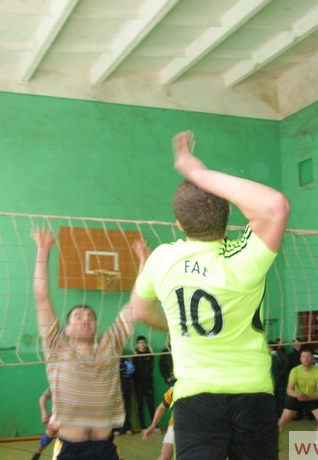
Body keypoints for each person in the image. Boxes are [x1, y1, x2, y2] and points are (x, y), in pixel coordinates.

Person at [131, 130, 290, 460]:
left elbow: (140, 310)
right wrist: (197, 172)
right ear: (229, 212)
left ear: (178, 223)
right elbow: (274, 205)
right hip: (252, 394)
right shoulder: (245, 259)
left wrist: (176, 324)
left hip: (194, 399)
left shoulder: (161, 260)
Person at [31, 227, 146, 460]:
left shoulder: (110, 344)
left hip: (105, 447)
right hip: (71, 449)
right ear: (67, 329)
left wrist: (144, 261)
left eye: (90, 317)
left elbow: (136, 305)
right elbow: (41, 297)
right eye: (78, 317)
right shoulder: (57, 346)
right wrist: (43, 250)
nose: (86, 320)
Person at [277, 350, 318, 445]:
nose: (306, 359)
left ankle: (317, 443)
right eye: (304, 356)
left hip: (313, 398)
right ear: (300, 359)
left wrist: (309, 398)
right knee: (282, 421)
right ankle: (272, 444)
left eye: (308, 356)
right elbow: (289, 390)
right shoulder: (294, 371)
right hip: (297, 397)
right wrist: (297, 395)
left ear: (312, 359)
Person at [133, 335, 159, 434]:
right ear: (137, 344)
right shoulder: (135, 355)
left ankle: (154, 426)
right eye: (140, 343)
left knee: (151, 404)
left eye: (143, 342)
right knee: (140, 405)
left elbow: (151, 367)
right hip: (138, 383)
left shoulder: (149, 353)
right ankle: (143, 427)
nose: (142, 344)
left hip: (148, 382)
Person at [142, 386, 175, 460]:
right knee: (165, 456)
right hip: (175, 427)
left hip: (197, 428)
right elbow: (161, 408)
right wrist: (153, 425)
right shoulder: (174, 390)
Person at [31, 387, 58, 460]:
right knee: (48, 437)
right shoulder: (56, 385)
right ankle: (37, 454)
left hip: (74, 417)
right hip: (57, 415)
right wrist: (44, 413)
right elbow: (43, 398)